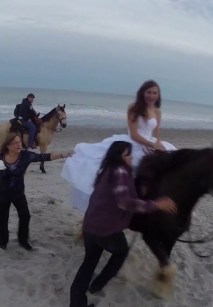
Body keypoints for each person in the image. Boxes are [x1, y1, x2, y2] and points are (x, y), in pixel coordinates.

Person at [69, 141, 177, 307]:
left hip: (90, 225)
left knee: (88, 263)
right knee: (121, 251)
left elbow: (124, 191)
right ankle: (99, 284)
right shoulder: (120, 172)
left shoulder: (109, 170)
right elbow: (124, 202)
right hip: (103, 230)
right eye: (127, 155)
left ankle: (76, 305)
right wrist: (156, 205)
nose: (131, 157)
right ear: (118, 157)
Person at [61, 80, 177, 213]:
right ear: (142, 93)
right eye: (149, 92)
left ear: (158, 95)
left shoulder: (157, 112)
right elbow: (134, 134)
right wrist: (150, 144)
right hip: (135, 142)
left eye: (155, 93)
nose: (151, 96)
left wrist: (158, 145)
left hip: (151, 143)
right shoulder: (133, 108)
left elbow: (156, 134)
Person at [0, 132, 73, 250]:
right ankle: (3, 240)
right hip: (1, 194)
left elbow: (45, 157)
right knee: (2, 219)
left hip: (18, 193)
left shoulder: (25, 156)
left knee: (25, 216)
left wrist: (62, 154)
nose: (18, 145)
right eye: (14, 143)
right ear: (8, 146)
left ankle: (23, 239)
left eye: (19, 142)